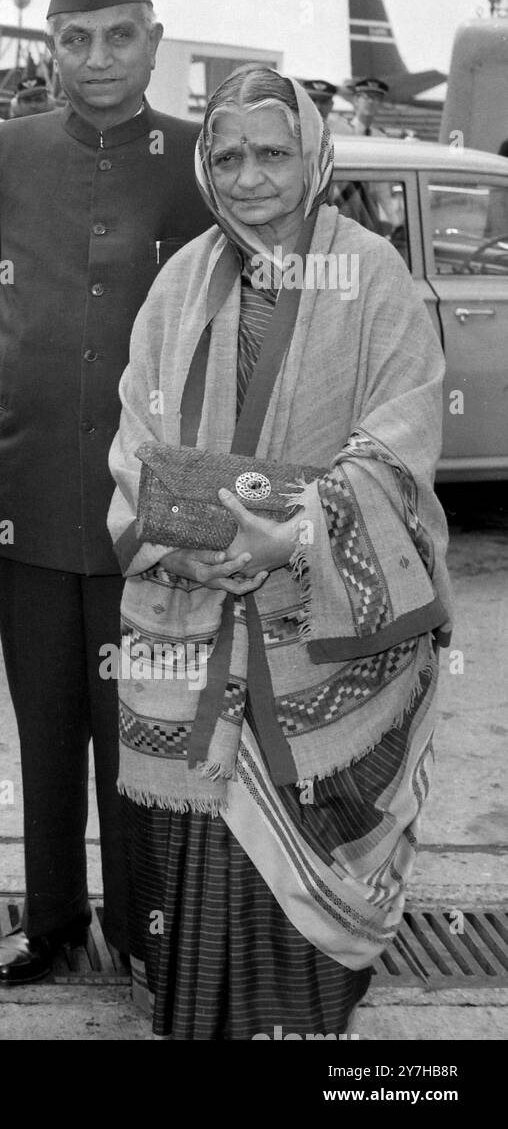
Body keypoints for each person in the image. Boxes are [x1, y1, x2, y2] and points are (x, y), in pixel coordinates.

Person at [107, 65, 452, 1039]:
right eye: (228, 155)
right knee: (197, 889)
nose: (250, 175)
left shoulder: (371, 276)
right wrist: (178, 548)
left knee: (299, 954)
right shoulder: (182, 283)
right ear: (205, 168)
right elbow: (133, 442)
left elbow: (400, 447)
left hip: (320, 646)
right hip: (191, 630)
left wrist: (297, 533)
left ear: (314, 158)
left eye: (272, 152)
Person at [0, 0, 214, 986]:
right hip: (26, 485)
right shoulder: (2, 152)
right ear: (49, 48)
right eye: (77, 37)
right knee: (44, 720)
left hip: (150, 504)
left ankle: (146, 925)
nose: (98, 57)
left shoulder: (201, 158)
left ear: (155, 41)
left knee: (141, 725)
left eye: (119, 36)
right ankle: (53, 918)